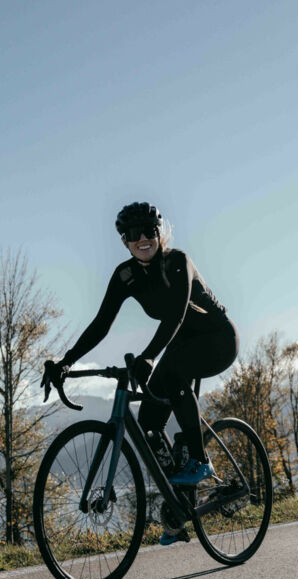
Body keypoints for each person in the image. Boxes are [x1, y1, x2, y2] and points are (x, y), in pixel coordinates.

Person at [42, 202, 239, 544]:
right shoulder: (125, 276)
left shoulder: (178, 262)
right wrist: (66, 362)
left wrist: (148, 356)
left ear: (160, 234)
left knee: (174, 375)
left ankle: (200, 459)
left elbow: (175, 317)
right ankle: (179, 510)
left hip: (217, 339)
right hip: (179, 345)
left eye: (150, 232)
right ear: (124, 241)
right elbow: (101, 324)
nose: (143, 239)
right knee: (149, 422)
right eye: (134, 235)